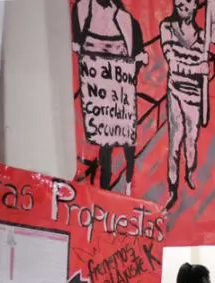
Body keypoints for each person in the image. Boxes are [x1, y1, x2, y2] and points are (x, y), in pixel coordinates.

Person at [70, 0, 146, 194]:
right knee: (105, 147)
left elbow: (137, 57)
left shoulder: (128, 20)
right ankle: (104, 193)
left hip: (120, 96)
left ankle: (128, 186)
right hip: (98, 97)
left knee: (127, 141)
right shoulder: (81, 10)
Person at [160, 0, 209, 210]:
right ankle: (172, 188)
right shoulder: (166, 28)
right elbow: (173, 64)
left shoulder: (203, 38)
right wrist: (198, 69)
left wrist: (202, 69)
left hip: (195, 97)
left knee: (191, 140)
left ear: (196, 6)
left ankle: (189, 172)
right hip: (175, 92)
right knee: (175, 140)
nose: (181, 3)